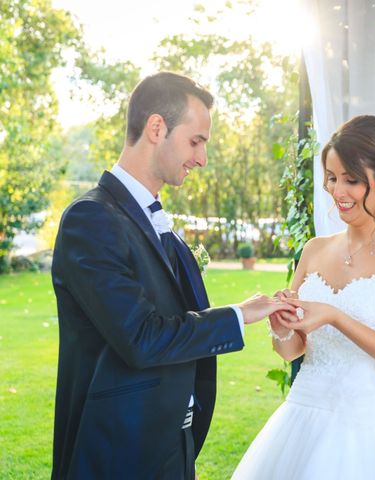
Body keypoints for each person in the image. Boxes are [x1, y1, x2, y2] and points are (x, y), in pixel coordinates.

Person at [51, 72, 292, 479]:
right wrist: (237, 315)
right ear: (156, 128)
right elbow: (142, 338)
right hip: (117, 452)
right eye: (196, 141)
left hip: (171, 448)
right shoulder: (90, 219)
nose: (202, 158)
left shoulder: (157, 223)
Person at [232, 115, 375, 479]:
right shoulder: (314, 250)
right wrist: (283, 327)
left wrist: (335, 316)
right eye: (332, 179)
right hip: (304, 415)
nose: (337, 192)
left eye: (351, 180)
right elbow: (293, 351)